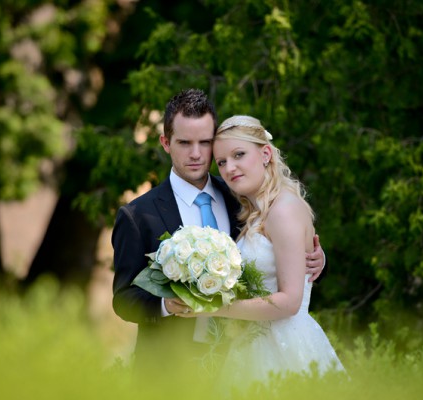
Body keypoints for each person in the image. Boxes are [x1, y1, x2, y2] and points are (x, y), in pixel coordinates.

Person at [110, 90, 326, 378]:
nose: (196, 154)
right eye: (185, 143)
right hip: (169, 369)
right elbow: (123, 299)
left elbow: (279, 262)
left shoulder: (241, 197)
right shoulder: (137, 216)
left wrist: (317, 260)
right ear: (165, 143)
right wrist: (165, 304)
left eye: (205, 142)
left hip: (243, 358)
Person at [176, 115, 344, 384]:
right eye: (221, 162)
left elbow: (289, 302)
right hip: (252, 345)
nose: (230, 168)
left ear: (266, 153)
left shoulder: (283, 209)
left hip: (285, 346)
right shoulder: (256, 212)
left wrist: (212, 307)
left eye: (239, 154)